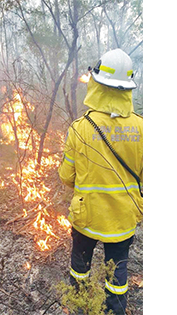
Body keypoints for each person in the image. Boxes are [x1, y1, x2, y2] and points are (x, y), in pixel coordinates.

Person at [58, 48, 143, 314]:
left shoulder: (80, 128)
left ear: (97, 84)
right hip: (123, 220)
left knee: (80, 270)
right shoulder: (143, 128)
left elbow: (66, 177)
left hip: (88, 218)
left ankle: (80, 308)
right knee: (117, 275)